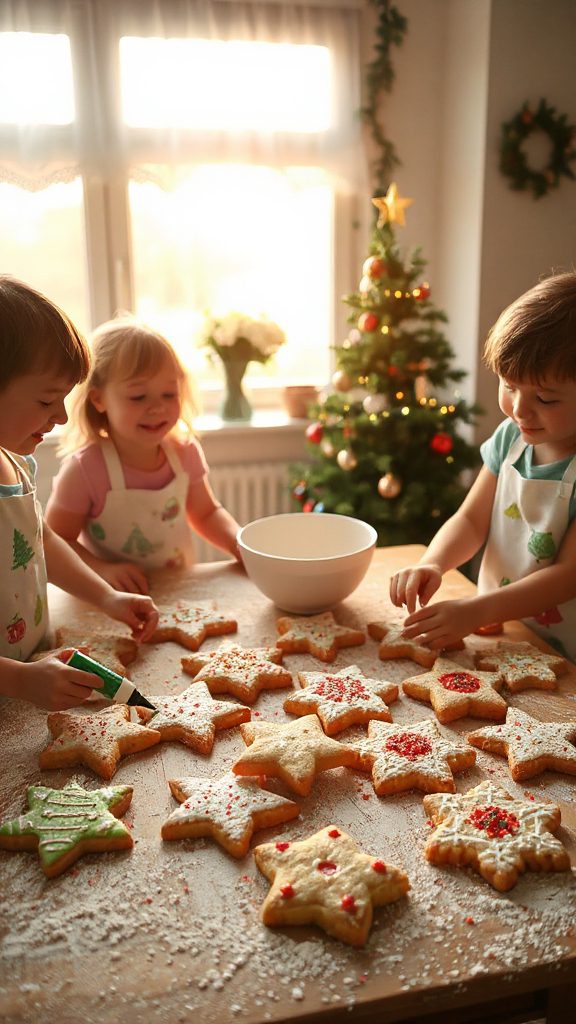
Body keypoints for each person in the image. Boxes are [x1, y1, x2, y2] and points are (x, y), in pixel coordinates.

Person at [390, 270, 576, 661]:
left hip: (564, 652)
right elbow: (471, 521)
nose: (519, 410)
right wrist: (434, 562)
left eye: (545, 398)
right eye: (509, 386)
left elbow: (567, 577)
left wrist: (477, 610)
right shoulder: (510, 438)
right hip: (500, 632)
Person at [0, 277, 159, 711]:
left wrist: (106, 596)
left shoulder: (17, 463)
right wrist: (19, 678)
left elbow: (41, 541)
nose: (62, 416)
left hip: (34, 675)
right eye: (47, 400)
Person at [46, 317, 241, 595]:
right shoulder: (84, 469)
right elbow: (57, 541)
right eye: (138, 396)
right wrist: (103, 570)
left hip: (177, 591)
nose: (157, 408)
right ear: (99, 399)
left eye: (169, 394)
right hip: (110, 599)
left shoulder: (185, 453)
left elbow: (207, 514)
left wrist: (238, 544)